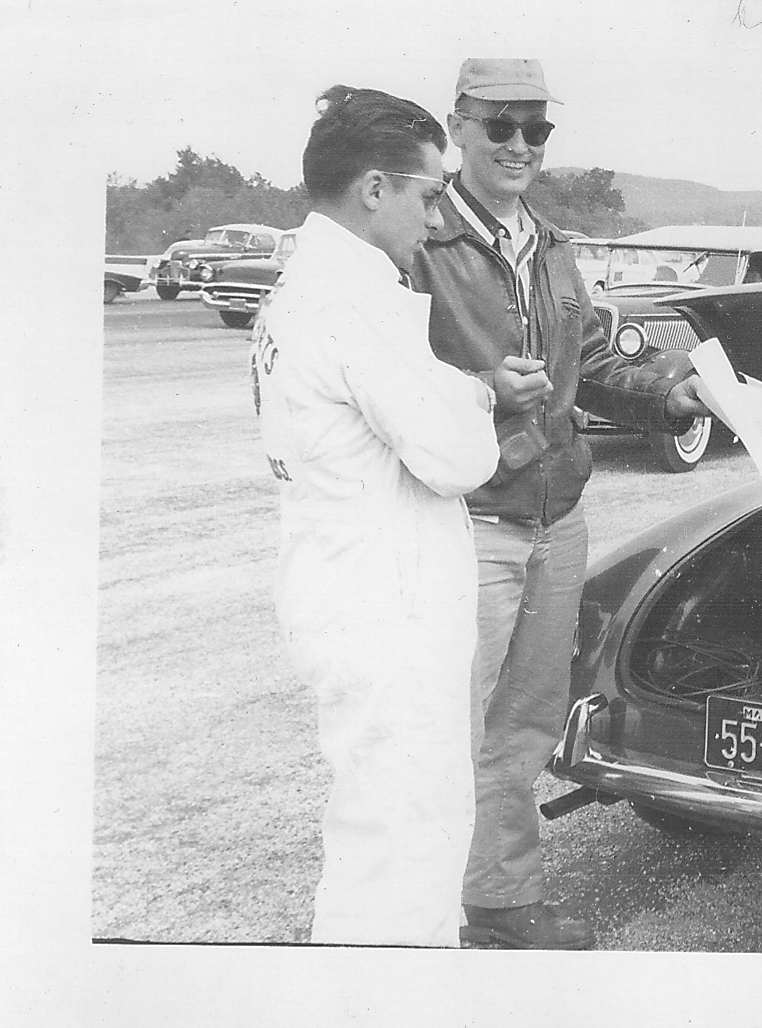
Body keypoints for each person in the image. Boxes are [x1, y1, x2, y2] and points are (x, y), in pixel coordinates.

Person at [409, 58, 712, 950]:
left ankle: (501, 901)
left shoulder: (552, 244)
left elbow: (590, 365)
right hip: (469, 522)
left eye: (535, 129)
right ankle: (417, 918)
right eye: (499, 126)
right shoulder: (416, 241)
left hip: (556, 518)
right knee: (448, 725)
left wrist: (668, 395)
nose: (519, 145)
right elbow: (382, 376)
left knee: (526, 723)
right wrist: (480, 388)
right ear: (456, 126)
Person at [252, 86, 501, 946]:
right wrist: (474, 398)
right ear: (373, 189)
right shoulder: (354, 300)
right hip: (385, 603)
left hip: (343, 578)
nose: (436, 220)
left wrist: (453, 393)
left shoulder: (307, 285)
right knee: (405, 843)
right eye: (429, 196)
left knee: (382, 831)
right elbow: (460, 458)